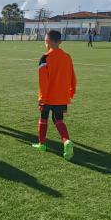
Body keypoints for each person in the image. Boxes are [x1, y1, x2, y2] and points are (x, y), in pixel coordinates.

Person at [32, 30, 76, 159]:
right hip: (61, 97)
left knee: (43, 119)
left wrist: (42, 98)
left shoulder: (45, 58)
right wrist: (71, 92)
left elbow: (43, 81)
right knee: (58, 120)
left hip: (47, 97)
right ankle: (66, 141)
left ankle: (42, 144)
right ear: (60, 41)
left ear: (47, 41)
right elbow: (72, 77)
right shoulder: (67, 57)